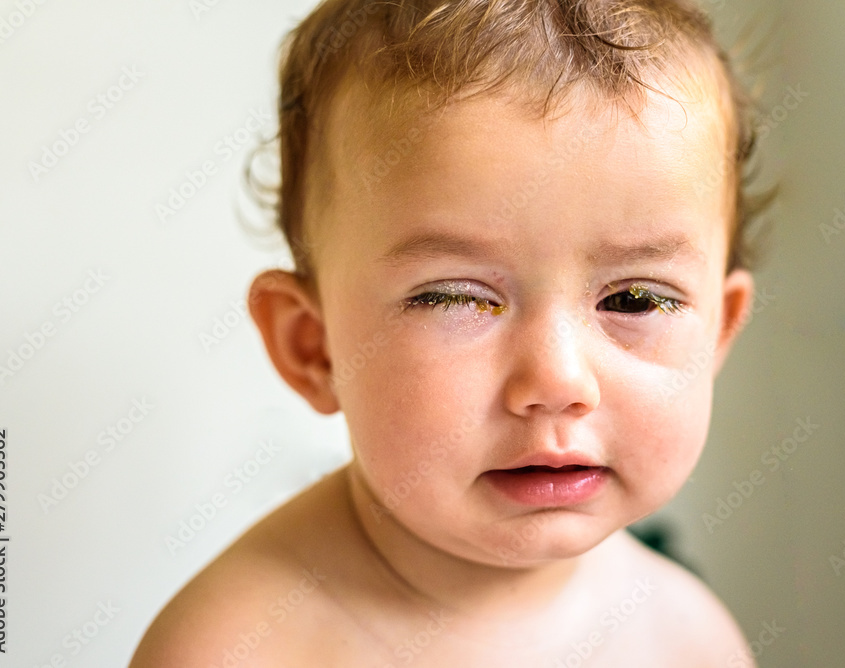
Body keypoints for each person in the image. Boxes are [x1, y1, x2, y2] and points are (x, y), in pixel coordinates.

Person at [130, 0, 770, 664]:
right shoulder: (238, 649)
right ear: (312, 347)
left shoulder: (689, 639)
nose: (557, 380)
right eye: (456, 298)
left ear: (718, 333)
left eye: (635, 299)